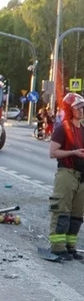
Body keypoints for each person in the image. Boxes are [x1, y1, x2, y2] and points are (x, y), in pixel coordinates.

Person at [47, 92, 84, 260]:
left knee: (77, 214)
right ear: (70, 109)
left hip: (81, 177)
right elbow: (53, 152)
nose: (81, 110)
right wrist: (73, 152)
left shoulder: (83, 129)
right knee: (62, 211)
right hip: (66, 174)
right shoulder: (62, 129)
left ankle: (70, 246)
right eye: (78, 107)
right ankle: (58, 247)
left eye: (82, 107)